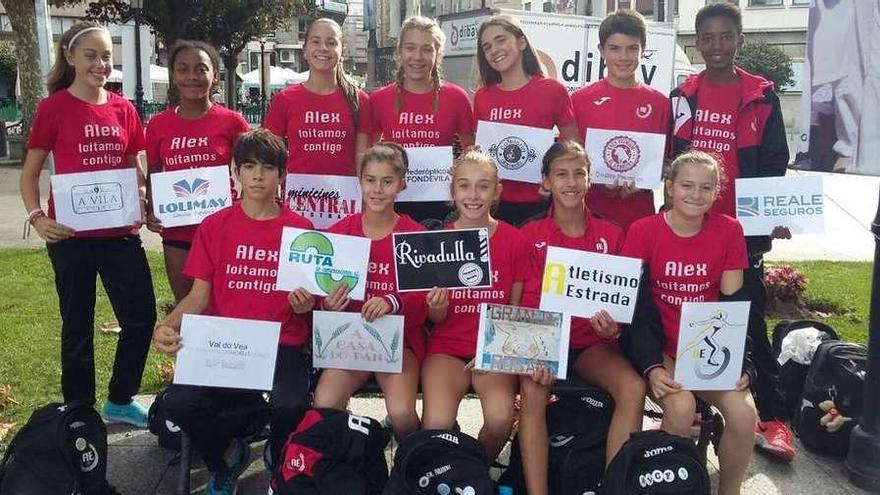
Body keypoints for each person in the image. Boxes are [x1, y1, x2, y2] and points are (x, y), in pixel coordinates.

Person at [152, 129, 315, 495]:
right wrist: (166, 325)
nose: (258, 176)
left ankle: (278, 454)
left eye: (268, 168)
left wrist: (304, 305)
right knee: (179, 403)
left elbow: (308, 303)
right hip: (224, 341)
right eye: (249, 166)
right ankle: (224, 455)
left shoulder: (300, 230)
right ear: (234, 172)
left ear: (282, 175)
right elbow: (198, 296)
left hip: (281, 341)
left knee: (290, 404)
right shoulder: (215, 226)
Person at [670, 2, 795, 461]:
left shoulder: (762, 95)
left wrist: (773, 215)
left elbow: (775, 162)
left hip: (742, 232)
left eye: (726, 36)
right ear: (697, 41)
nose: (716, 45)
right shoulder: (683, 95)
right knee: (683, 311)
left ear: (738, 40)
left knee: (745, 319)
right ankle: (698, 404)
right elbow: (670, 157)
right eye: (708, 37)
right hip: (688, 222)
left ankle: (773, 417)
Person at [19, 21, 156, 427]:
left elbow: (135, 169)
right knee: (76, 323)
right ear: (70, 57)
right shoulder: (53, 107)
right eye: (91, 55)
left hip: (120, 235)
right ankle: (78, 408)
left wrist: (144, 196)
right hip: (69, 236)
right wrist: (38, 218)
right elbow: (29, 175)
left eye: (106, 56)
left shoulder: (124, 108)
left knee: (141, 318)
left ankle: (119, 398)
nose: (100, 64)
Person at [621, 151, 757, 495]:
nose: (696, 195)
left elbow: (735, 303)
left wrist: (744, 362)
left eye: (706, 187)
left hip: (708, 348)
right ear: (669, 187)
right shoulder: (643, 230)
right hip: (662, 345)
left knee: (743, 416)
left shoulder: (728, 229)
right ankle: (673, 487)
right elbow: (635, 309)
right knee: (680, 409)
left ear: (716, 192)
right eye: (687, 185)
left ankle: (729, 490)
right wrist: (652, 365)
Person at [517, 141, 645, 495]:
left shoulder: (612, 233)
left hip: (590, 344)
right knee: (532, 391)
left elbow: (622, 303)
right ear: (546, 182)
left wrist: (612, 329)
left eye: (579, 173)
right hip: (543, 340)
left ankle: (613, 486)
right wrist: (535, 349)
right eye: (561, 174)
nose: (571, 182)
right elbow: (523, 305)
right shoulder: (529, 233)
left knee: (633, 388)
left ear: (590, 179)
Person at [421, 149, 532, 463]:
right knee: (437, 425)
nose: (473, 195)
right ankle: (446, 472)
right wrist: (436, 305)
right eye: (464, 185)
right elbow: (433, 318)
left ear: (497, 191)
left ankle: (473, 471)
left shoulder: (514, 240)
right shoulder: (437, 241)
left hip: (494, 351)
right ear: (453, 191)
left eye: (483, 186)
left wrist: (492, 352)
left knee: (499, 420)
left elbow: (515, 310)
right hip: (446, 349)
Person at [312, 142, 427, 441]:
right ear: (359, 182)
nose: (378, 189)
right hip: (350, 341)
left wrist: (391, 302)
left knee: (402, 414)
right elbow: (319, 293)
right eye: (370, 180)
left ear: (401, 184)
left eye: (387, 181)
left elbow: (423, 302)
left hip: (398, 344)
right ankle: (347, 460)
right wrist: (328, 304)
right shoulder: (338, 233)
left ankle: (408, 471)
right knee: (324, 404)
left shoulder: (414, 235)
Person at [145, 40, 250, 303]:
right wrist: (151, 209)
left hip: (223, 231)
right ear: (173, 76)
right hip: (177, 233)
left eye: (201, 69)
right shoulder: (159, 125)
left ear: (214, 76)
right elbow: (155, 171)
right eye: (182, 69)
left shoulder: (233, 122)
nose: (192, 76)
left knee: (226, 304)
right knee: (186, 307)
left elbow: (251, 170)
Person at [364, 15, 475, 227]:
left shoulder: (457, 97)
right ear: (399, 53)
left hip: (441, 203)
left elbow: (470, 152)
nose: (417, 56)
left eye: (427, 49)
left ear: (438, 55)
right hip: (392, 200)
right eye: (410, 48)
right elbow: (370, 155)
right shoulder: (378, 99)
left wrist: (459, 174)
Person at [473, 14, 579, 226]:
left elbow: (572, 146)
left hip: (540, 202)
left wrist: (553, 179)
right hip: (494, 204)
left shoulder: (552, 90)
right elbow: (479, 151)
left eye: (501, 40)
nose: (494, 50)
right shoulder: (483, 96)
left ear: (521, 42)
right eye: (487, 47)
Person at [570, 9, 670, 230]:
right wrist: (592, 179)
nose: (623, 57)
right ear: (601, 51)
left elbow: (665, 162)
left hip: (638, 218)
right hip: (588, 217)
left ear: (643, 50)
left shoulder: (660, 103)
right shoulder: (579, 101)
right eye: (614, 48)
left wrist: (644, 181)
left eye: (632, 48)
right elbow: (568, 159)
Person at [264, 18, 371, 179]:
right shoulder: (284, 100)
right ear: (305, 51)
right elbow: (269, 157)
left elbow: (362, 160)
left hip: (345, 199)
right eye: (316, 41)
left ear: (343, 52)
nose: (323, 48)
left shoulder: (360, 100)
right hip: (297, 198)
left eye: (331, 42)